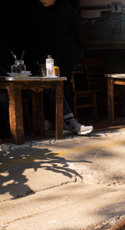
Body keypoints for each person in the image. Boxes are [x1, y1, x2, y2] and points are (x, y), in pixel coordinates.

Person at [28, 0, 93, 135]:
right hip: (43, 59)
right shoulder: (37, 12)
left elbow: (77, 35)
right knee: (46, 88)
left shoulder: (66, 11)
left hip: (65, 57)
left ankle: (66, 122)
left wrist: (74, 56)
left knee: (62, 87)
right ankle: (51, 120)